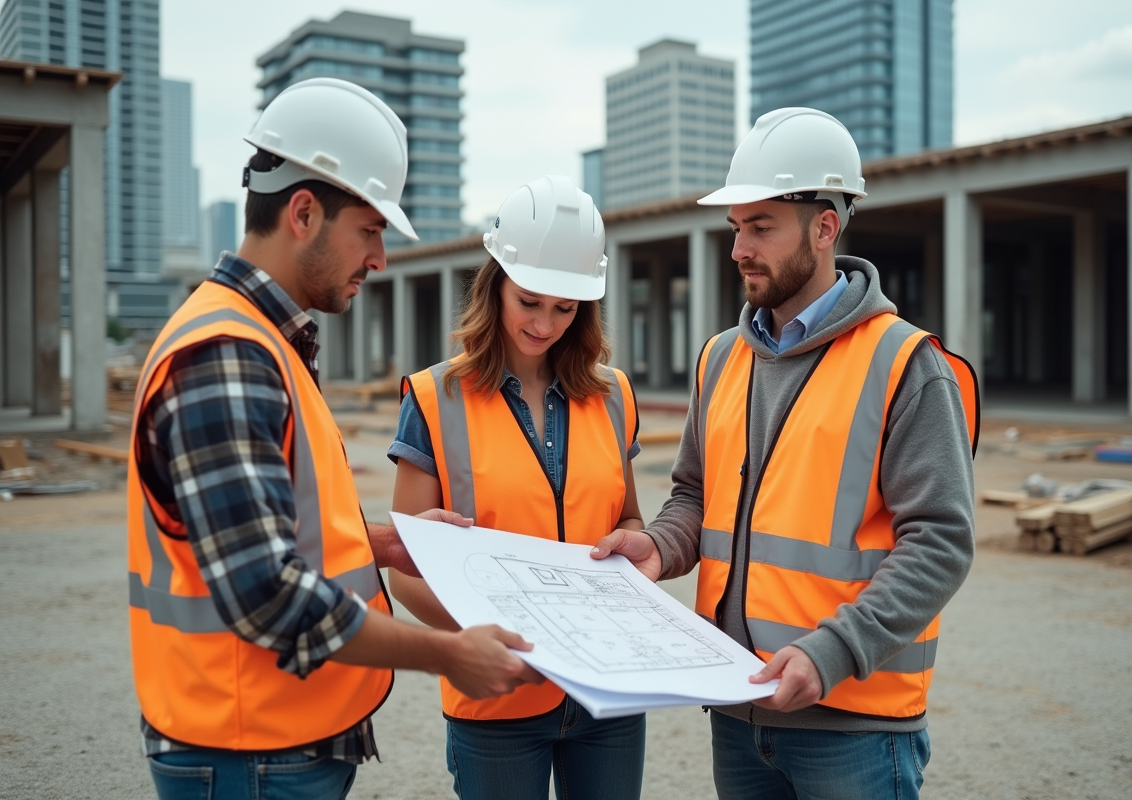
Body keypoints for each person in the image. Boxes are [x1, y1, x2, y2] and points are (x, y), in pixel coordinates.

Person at [127, 77, 541, 800]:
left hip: (267, 744)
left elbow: (279, 526)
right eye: (371, 230)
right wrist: (451, 655)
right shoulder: (226, 355)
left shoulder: (263, 343)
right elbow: (266, 593)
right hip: (248, 750)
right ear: (304, 212)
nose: (379, 259)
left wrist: (387, 542)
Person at [592, 107, 980, 799]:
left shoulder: (905, 364)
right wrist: (659, 547)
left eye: (761, 227)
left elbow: (942, 542)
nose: (740, 247)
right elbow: (694, 496)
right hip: (739, 709)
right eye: (737, 227)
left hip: (854, 727)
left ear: (825, 227)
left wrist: (831, 653)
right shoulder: (720, 359)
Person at [388, 175, 646, 800]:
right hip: (497, 702)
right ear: (495, 282)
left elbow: (633, 520)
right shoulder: (434, 398)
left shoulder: (613, 396)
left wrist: (628, 548)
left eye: (566, 308)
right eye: (530, 301)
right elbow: (406, 569)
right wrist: (489, 648)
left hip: (607, 694)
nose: (545, 323)